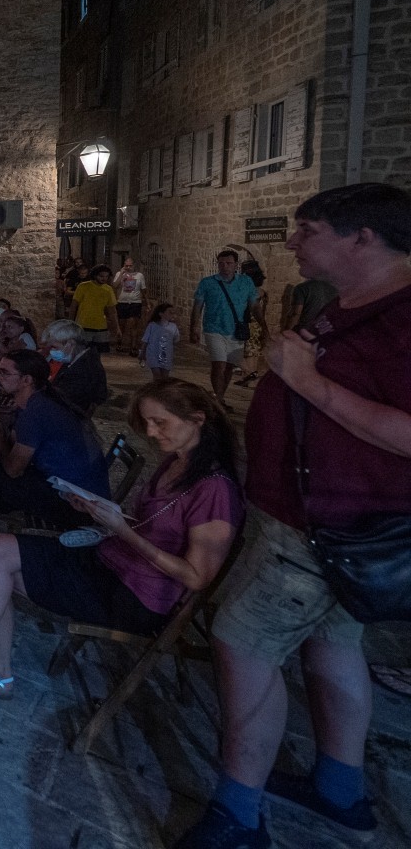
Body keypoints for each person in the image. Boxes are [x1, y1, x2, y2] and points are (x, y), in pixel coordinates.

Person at [175, 184, 411, 848]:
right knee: (334, 645)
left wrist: (308, 383)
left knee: (242, 644)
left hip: (323, 527)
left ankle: (237, 815)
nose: (292, 242)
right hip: (322, 523)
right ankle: (340, 788)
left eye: (308, 230)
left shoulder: (402, 319)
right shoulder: (353, 305)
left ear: (362, 237)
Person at [0, 378, 243, 701]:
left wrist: (122, 530)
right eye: (147, 422)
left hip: (134, 596)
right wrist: (99, 510)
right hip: (109, 561)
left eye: (159, 422)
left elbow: (196, 576)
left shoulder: (215, 489)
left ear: (197, 420)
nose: (150, 431)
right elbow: (153, 526)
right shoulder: (176, 463)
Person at [0, 349, 108, 584]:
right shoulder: (36, 401)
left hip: (75, 503)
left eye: (5, 373)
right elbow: (13, 448)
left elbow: (13, 470)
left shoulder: (37, 411)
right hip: (65, 486)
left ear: (27, 380)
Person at [190, 250, 261, 403]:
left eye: (229, 263)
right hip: (213, 328)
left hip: (236, 330)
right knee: (219, 364)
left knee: (229, 366)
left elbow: (254, 305)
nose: (225, 267)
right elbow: (198, 306)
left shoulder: (246, 282)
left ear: (236, 265)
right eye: (221, 263)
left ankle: (220, 397)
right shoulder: (207, 283)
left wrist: (264, 326)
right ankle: (219, 400)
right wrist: (194, 326)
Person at [40, 319, 108, 416]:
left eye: (55, 347)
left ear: (70, 344)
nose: (51, 352)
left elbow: (61, 401)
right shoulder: (77, 360)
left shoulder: (84, 370)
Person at [234, 260, 270, 387]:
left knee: (247, 351)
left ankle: (251, 376)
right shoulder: (262, 292)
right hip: (256, 325)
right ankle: (247, 377)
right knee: (252, 351)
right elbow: (263, 311)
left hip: (248, 323)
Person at [72, 264, 120, 354]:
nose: (104, 279)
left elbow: (112, 311)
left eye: (106, 276)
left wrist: (117, 327)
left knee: (98, 354)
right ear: (95, 275)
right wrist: (71, 322)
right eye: (101, 276)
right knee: (82, 353)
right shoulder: (83, 286)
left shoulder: (108, 289)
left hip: (101, 327)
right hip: (84, 325)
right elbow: (74, 306)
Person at [114, 257, 148, 356]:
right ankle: (119, 343)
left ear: (134, 265)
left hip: (135, 302)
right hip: (122, 302)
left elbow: (143, 290)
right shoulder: (119, 274)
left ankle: (133, 347)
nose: (128, 267)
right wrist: (121, 274)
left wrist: (147, 302)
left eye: (130, 265)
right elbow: (115, 285)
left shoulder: (139, 275)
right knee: (122, 324)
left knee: (134, 325)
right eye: (126, 265)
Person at [140, 302, 179, 380]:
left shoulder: (173, 327)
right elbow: (145, 340)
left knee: (165, 377)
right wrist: (142, 353)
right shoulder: (152, 326)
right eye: (169, 312)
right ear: (161, 314)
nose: (172, 315)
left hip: (166, 355)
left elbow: (175, 340)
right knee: (156, 374)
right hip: (153, 353)